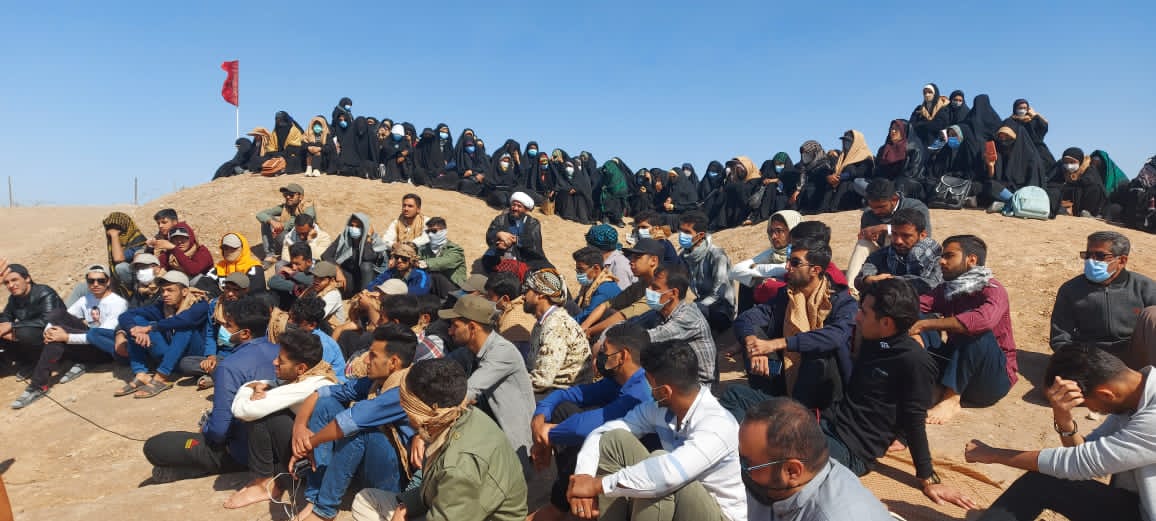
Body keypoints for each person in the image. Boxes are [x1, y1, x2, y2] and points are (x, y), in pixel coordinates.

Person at [822, 278, 977, 511]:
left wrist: (928, 476)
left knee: (779, 461)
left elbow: (915, 418)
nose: (857, 317)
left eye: (864, 313)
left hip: (851, 448)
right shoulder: (874, 339)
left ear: (886, 322)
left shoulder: (914, 361)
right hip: (827, 424)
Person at [964, 347, 1156, 521]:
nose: (1094, 411)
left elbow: (1081, 463)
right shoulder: (1134, 397)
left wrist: (992, 454)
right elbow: (1082, 454)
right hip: (1137, 504)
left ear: (1106, 394)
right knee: (1045, 479)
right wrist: (1063, 419)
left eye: (1088, 405)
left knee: (1045, 476)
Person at [566, 342, 746, 521]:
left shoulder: (717, 424)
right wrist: (583, 477)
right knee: (614, 440)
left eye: (649, 383)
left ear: (665, 391)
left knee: (657, 472)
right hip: (677, 497)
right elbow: (602, 433)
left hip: (720, 515)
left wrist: (597, 485)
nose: (648, 390)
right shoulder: (660, 409)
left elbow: (667, 476)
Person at [349, 357, 528, 521]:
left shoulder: (459, 466)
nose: (403, 409)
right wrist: (406, 505)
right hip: (451, 505)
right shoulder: (460, 414)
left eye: (407, 403)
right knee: (366, 499)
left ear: (426, 410)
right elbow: (433, 490)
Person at [288, 324, 418, 521]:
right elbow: (322, 393)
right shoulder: (378, 381)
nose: (365, 360)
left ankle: (324, 511)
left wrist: (307, 445)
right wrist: (299, 428)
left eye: (372, 355)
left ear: (393, 362)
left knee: (359, 430)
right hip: (374, 462)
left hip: (397, 479)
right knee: (326, 404)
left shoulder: (403, 390)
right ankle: (315, 497)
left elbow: (350, 421)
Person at [141, 297, 278, 481]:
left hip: (245, 451)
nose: (223, 329)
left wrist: (206, 428)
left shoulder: (229, 367)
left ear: (245, 333)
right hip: (281, 445)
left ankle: (217, 466)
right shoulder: (282, 352)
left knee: (156, 446)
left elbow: (219, 432)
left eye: (228, 325)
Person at [528, 324, 653, 521]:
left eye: (605, 351)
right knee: (562, 409)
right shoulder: (620, 380)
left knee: (584, 436)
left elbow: (584, 427)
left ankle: (561, 504)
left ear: (622, 356)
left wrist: (547, 435)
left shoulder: (640, 392)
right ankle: (566, 499)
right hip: (616, 453)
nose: (600, 357)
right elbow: (568, 394)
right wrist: (540, 418)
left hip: (641, 471)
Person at [223, 328, 338, 509]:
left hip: (316, 465)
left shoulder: (310, 385)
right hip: (307, 450)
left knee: (263, 415)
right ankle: (276, 476)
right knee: (268, 408)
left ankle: (264, 484)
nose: (274, 362)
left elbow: (242, 410)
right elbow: (267, 383)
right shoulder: (308, 375)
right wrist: (255, 386)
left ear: (301, 368)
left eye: (281, 361)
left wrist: (248, 389)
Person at [734, 239, 855, 410]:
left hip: (825, 386)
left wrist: (780, 343)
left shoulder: (842, 302)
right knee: (753, 339)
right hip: (784, 374)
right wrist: (753, 345)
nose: (787, 267)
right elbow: (746, 318)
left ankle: (802, 413)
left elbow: (835, 336)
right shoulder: (787, 295)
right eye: (789, 261)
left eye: (795, 263)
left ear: (815, 270)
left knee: (818, 353)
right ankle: (771, 405)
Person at [912, 235, 1017, 424]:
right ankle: (933, 384)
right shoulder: (947, 289)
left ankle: (951, 398)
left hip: (988, 379)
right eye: (942, 256)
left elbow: (982, 321)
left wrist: (926, 325)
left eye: (949, 256)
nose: (941, 261)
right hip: (956, 365)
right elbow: (915, 306)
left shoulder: (993, 290)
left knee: (973, 326)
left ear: (971, 260)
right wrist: (917, 331)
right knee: (916, 315)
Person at [740, 398, 893, 521]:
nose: (741, 467)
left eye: (748, 463)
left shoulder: (832, 515)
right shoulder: (779, 487)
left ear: (792, 471)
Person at [438, 294, 534, 467]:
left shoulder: (502, 352)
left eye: (455, 325)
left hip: (515, 449)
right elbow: (438, 369)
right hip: (489, 439)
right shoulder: (469, 351)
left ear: (472, 327)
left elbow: (467, 393)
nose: (450, 331)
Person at [15, 265, 122, 409]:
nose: (95, 284)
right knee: (58, 314)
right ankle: (77, 361)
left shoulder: (118, 304)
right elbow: (62, 315)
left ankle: (38, 385)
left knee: (62, 334)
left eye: (100, 281)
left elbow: (102, 336)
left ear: (108, 282)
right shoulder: (86, 299)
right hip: (89, 342)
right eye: (91, 281)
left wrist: (66, 337)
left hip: (105, 350)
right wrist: (49, 330)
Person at [1052, 231, 1156, 369]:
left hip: (1134, 355)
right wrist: (1075, 361)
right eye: (1088, 255)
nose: (1091, 261)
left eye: (1100, 256)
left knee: (1153, 314)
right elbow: (1060, 337)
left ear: (1122, 261)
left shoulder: (1145, 287)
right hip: (1092, 358)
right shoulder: (1070, 289)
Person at [112, 270, 209, 398]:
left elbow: (185, 320)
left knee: (183, 327)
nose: (165, 294)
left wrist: (150, 328)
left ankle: (161, 378)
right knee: (137, 322)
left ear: (184, 291)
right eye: (163, 291)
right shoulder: (162, 306)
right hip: (171, 356)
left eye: (170, 290)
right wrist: (134, 329)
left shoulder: (199, 304)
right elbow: (126, 315)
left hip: (193, 358)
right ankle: (141, 374)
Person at [845, 178, 932, 291]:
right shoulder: (868, 214)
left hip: (911, 254)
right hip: (882, 254)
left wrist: (886, 228)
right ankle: (851, 289)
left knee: (891, 236)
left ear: (894, 199)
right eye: (872, 207)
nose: (876, 211)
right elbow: (868, 241)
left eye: (881, 207)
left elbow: (926, 237)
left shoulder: (916, 207)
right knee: (863, 244)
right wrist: (867, 236)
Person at [641, 264, 717, 385]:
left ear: (673, 293)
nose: (648, 290)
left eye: (655, 288)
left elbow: (648, 337)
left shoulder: (688, 317)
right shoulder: (659, 313)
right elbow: (633, 323)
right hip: (675, 377)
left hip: (697, 386)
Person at [522, 270, 592, 395]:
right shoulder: (544, 322)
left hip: (565, 394)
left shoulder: (556, 327)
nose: (523, 296)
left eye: (527, 290)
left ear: (540, 295)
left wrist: (512, 385)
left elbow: (542, 381)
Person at [179, 272, 251, 391]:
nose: (230, 293)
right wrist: (211, 357)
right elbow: (210, 334)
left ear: (245, 290)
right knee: (185, 363)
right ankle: (220, 374)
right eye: (227, 288)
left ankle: (216, 375)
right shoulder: (215, 305)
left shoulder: (252, 307)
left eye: (235, 290)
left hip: (242, 355)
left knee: (242, 366)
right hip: (221, 357)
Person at [580, 238, 663, 339]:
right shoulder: (641, 284)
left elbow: (622, 316)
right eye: (631, 257)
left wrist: (589, 331)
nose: (631, 262)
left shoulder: (661, 288)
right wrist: (584, 326)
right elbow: (606, 304)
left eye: (637, 257)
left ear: (653, 260)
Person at [729, 210, 802, 314]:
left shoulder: (803, 252)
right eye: (771, 231)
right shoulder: (773, 252)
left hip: (794, 304)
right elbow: (735, 271)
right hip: (773, 302)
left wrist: (758, 269)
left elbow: (788, 268)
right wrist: (760, 276)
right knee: (747, 281)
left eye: (779, 231)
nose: (773, 236)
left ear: (792, 230)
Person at [856, 208, 943, 296]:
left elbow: (933, 285)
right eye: (894, 234)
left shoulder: (935, 257)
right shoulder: (881, 255)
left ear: (922, 235)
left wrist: (891, 281)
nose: (898, 241)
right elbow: (860, 279)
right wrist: (867, 279)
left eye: (906, 236)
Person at [0, 264, 64, 380]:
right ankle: (7, 362)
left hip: (52, 338)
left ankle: (35, 363)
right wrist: (3, 328)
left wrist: (13, 326)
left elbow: (48, 320)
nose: (11, 285)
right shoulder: (14, 298)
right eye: (7, 283)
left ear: (27, 278)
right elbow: (5, 316)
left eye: (14, 280)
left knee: (23, 332)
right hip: (30, 337)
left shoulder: (45, 292)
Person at [677, 211, 735, 331]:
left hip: (720, 309)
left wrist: (692, 308)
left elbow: (718, 294)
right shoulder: (684, 256)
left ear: (700, 235)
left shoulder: (716, 255)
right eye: (680, 231)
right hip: (700, 303)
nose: (682, 235)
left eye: (687, 232)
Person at [984, 125, 1045, 213]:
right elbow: (994, 179)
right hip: (1008, 191)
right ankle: (1011, 203)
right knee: (988, 185)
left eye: (1007, 136)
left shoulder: (1031, 158)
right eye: (1001, 137)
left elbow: (1033, 185)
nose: (1003, 140)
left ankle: (1013, 203)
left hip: (1025, 194)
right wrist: (991, 165)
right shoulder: (1002, 154)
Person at [288, 296, 349, 383]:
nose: (290, 322)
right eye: (289, 317)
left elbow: (316, 374)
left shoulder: (323, 345)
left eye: (296, 321)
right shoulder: (301, 335)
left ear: (312, 325)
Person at [322, 213, 381, 298]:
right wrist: (338, 270)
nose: (354, 229)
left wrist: (367, 239)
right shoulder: (344, 238)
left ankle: (365, 296)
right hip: (346, 276)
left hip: (366, 279)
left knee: (366, 266)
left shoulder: (374, 241)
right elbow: (326, 255)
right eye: (352, 225)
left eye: (358, 226)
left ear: (365, 228)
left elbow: (368, 257)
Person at [484, 192, 549, 270]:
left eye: (519, 206)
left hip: (525, 257)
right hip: (501, 254)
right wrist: (498, 234)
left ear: (526, 209)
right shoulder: (501, 219)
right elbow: (489, 235)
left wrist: (516, 240)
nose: (515, 208)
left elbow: (535, 243)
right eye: (513, 205)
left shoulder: (532, 223)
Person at [256, 183, 317, 263]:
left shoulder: (307, 206)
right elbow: (260, 214)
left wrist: (281, 226)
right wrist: (271, 221)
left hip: (304, 242)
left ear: (300, 197)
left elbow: (303, 222)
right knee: (267, 220)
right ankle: (270, 256)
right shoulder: (286, 207)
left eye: (291, 195)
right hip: (289, 238)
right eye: (285, 195)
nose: (288, 197)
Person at [482, 271, 537, 355]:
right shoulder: (523, 307)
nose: (488, 300)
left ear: (505, 299)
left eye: (490, 296)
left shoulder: (510, 325)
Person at [869, 118, 925, 200]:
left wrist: (891, 183)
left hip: (908, 183)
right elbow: (878, 170)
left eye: (896, 129)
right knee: (860, 182)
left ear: (904, 131)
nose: (893, 131)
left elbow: (913, 173)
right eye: (891, 129)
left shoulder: (914, 148)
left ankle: (893, 200)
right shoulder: (883, 149)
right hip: (886, 184)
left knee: (900, 182)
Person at [823, 130, 875, 212]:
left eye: (848, 142)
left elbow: (859, 173)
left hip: (857, 190)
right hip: (841, 185)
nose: (845, 144)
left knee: (847, 182)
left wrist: (840, 177)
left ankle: (836, 207)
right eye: (844, 141)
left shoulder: (866, 156)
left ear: (856, 143)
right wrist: (831, 177)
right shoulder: (842, 157)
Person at [101, 211, 148, 297]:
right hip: (123, 280)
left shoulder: (138, 241)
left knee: (121, 267)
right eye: (110, 228)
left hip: (140, 281)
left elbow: (118, 259)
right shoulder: (113, 244)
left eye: (118, 229)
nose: (112, 231)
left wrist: (114, 235)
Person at [416, 216, 466, 293]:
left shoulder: (455, 250)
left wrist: (423, 263)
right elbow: (417, 260)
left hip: (453, 289)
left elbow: (443, 262)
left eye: (434, 231)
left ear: (444, 231)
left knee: (435, 275)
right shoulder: (424, 249)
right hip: (432, 287)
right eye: (428, 232)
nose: (430, 234)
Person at [571, 247, 621, 323]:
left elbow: (587, 316)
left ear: (596, 268)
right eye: (577, 270)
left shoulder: (604, 289)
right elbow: (577, 302)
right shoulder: (592, 283)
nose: (578, 273)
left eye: (581, 270)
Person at [1054, 147, 1108, 218]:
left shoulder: (1089, 170)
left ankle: (1087, 213)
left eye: (1072, 162)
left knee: (1093, 188)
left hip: (1085, 201)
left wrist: (1070, 184)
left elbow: (1087, 181)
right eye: (1066, 162)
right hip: (1068, 200)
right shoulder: (1061, 169)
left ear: (1080, 160)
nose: (1069, 165)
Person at [366, 242, 432, 296]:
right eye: (397, 257)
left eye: (404, 258)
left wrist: (389, 293)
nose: (399, 261)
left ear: (411, 261)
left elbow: (420, 291)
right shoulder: (391, 272)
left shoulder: (421, 275)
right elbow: (374, 284)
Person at [1005, 98, 1056, 166]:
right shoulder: (1010, 121)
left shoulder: (1032, 121)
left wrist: (1035, 115)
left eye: (1025, 108)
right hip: (1019, 151)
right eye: (1020, 108)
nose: (1022, 110)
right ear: (1015, 109)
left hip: (1037, 150)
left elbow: (1044, 127)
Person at [584, 224, 637, 290]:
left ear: (596, 248)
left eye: (588, 245)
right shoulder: (602, 261)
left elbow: (621, 294)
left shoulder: (620, 268)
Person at [268, 242, 315, 311]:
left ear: (309, 262)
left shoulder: (317, 269)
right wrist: (295, 287)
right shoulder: (290, 267)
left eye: (297, 264)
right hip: (290, 302)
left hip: (305, 307)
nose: (294, 267)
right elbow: (272, 282)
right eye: (292, 263)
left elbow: (311, 281)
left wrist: (292, 273)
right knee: (272, 292)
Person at [795, 141, 836, 215]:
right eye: (803, 154)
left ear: (815, 153)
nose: (805, 156)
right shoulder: (803, 167)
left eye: (807, 153)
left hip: (822, 196)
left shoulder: (826, 163)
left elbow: (828, 177)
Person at [308, 261, 348, 328]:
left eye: (321, 279)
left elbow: (313, 317)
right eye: (315, 277)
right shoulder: (314, 288)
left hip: (330, 330)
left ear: (331, 280)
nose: (316, 281)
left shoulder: (333, 294)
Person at [910, 83, 951, 147]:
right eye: (925, 93)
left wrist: (922, 124)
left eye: (930, 92)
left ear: (935, 93)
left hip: (939, 143)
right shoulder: (919, 109)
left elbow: (940, 124)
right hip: (921, 142)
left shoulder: (943, 107)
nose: (927, 95)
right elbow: (912, 124)